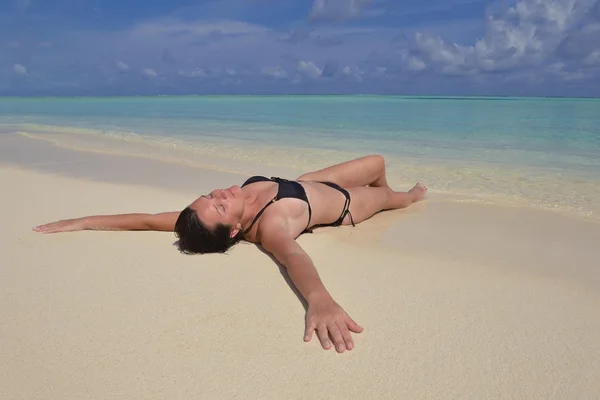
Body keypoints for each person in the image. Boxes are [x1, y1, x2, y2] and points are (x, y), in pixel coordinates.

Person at [33, 155, 427, 353]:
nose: (218, 195)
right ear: (236, 230)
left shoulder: (220, 211)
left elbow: (150, 219)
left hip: (307, 183)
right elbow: (293, 258)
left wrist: (83, 220)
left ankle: (386, 189)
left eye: (208, 197)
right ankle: (403, 199)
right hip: (343, 205)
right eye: (219, 206)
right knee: (396, 196)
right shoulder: (272, 228)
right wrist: (320, 300)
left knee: (377, 162)